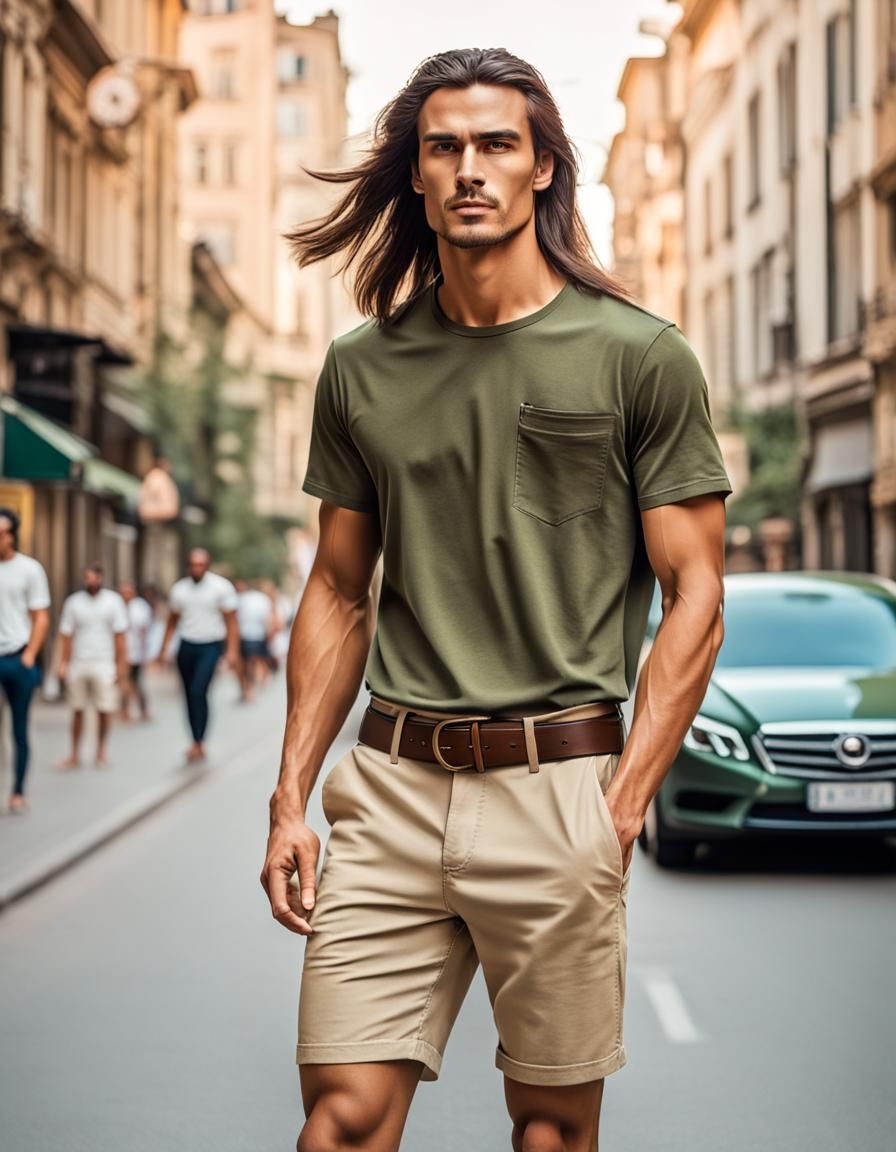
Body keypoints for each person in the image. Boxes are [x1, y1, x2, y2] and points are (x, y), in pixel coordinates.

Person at [260, 48, 732, 1152]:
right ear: (416, 174)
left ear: (541, 167)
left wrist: (621, 806)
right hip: (390, 788)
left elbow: (695, 594)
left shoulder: (639, 356)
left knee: (550, 1134)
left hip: (559, 784)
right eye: (444, 147)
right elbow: (338, 590)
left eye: (495, 144)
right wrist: (289, 798)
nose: (469, 167)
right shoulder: (361, 368)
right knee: (339, 1121)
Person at [159, 549, 239, 763]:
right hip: (186, 644)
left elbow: (232, 621)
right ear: (188, 566)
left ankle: (201, 740)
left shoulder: (221, 588)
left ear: (207, 565)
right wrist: (164, 649)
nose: (197, 568)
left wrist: (232, 651)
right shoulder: (179, 590)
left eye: (201, 564)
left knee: (198, 691)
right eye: (193, 564)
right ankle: (195, 740)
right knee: (188, 694)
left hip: (210, 645)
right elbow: (172, 621)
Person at [0, 507, 50, 812]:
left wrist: (30, 654)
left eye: (2, 533)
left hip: (18, 658)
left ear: (12, 535)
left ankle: (18, 791)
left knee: (19, 729)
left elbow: (40, 616)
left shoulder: (29, 570)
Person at [57, 564, 128, 768]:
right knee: (77, 709)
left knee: (104, 709)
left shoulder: (113, 602)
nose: (91, 582)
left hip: (104, 662)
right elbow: (66, 635)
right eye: (88, 578)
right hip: (79, 661)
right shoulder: (74, 602)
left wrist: (121, 666)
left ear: (101, 578)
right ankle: (74, 754)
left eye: (94, 578)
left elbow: (120, 636)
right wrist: (63, 663)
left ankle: (101, 752)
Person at [119, 581, 153, 722]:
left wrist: (145, 654)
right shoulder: (116, 606)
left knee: (137, 683)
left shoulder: (140, 607)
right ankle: (124, 711)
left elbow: (144, 631)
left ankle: (143, 710)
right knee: (124, 682)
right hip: (121, 653)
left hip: (136, 652)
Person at [235, 578, 273, 700]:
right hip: (253, 635)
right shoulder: (261, 598)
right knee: (251, 661)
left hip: (249, 635)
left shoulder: (242, 599)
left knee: (250, 662)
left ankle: (249, 687)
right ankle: (250, 686)